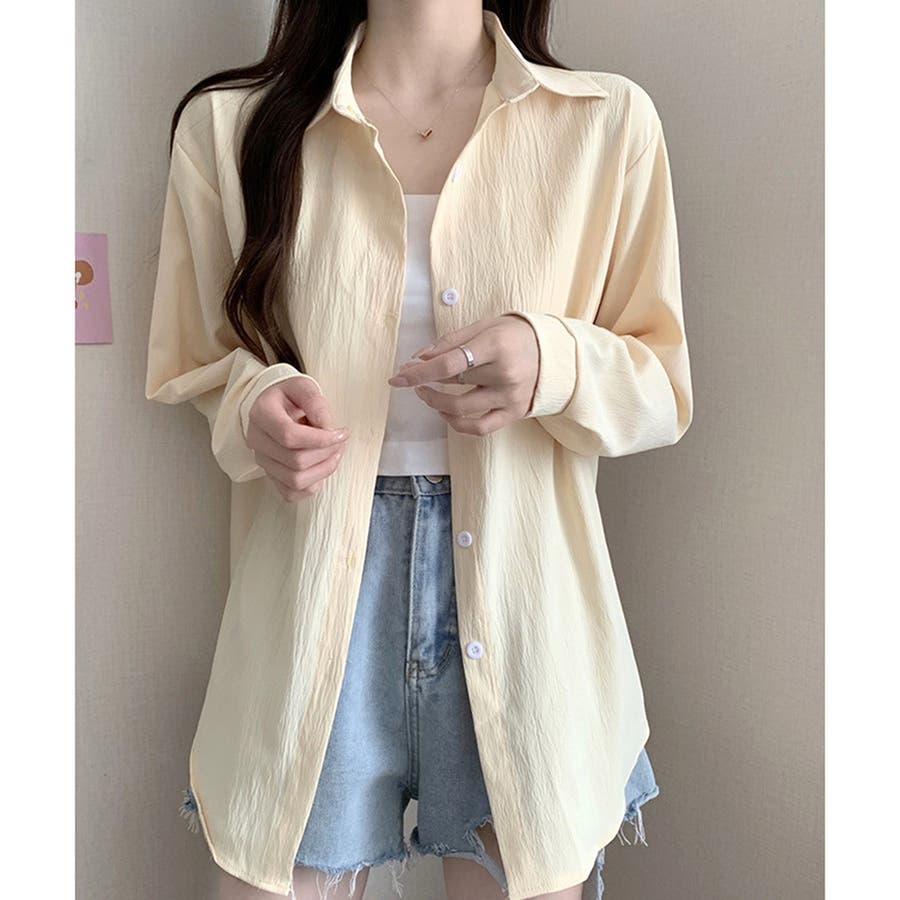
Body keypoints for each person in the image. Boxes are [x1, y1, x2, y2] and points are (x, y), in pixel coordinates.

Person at [145, 2, 692, 899]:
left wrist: (550, 358)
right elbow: (193, 361)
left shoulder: (605, 122)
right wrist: (252, 404)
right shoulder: (231, 128)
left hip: (526, 604)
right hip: (310, 594)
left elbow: (661, 388)